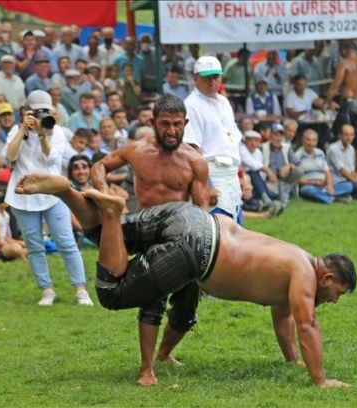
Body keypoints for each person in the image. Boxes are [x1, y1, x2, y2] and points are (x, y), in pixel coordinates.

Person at [14, 174, 355, 389]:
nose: (335, 301)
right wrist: (321, 380)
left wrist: (293, 359)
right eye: (337, 293)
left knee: (105, 235)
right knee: (111, 292)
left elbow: (283, 316)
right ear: (327, 277)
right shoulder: (306, 279)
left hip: (193, 217)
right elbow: (306, 324)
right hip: (198, 250)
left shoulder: (296, 257)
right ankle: (112, 211)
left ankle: (66, 192)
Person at [90, 94, 211, 387]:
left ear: (186, 124)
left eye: (177, 124)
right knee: (152, 302)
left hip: (182, 239)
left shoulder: (195, 162)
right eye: (165, 124)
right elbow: (100, 167)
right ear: (152, 122)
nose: (172, 130)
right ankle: (146, 370)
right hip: (147, 232)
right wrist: (104, 192)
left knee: (186, 310)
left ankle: (164, 354)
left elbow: (202, 212)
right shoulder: (136, 150)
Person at [2, 90, 92, 307]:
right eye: (37, 111)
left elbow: (52, 159)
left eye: (46, 111)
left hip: (52, 192)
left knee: (66, 240)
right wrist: (23, 129)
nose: (42, 115)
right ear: (26, 111)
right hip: (23, 194)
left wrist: (43, 135)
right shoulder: (17, 129)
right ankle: (47, 290)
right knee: (34, 245)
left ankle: (81, 290)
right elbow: (9, 157)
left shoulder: (57, 131)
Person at [184, 56, 242, 223]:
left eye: (215, 77)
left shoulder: (224, 102)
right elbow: (193, 149)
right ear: (195, 78)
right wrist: (207, 183)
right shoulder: (191, 105)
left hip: (231, 173)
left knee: (237, 232)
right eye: (206, 77)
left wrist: (241, 175)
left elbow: (232, 142)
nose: (212, 82)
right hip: (212, 171)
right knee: (217, 231)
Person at [327, 42, 357, 173]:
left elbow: (336, 83)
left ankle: (342, 167)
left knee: (341, 134)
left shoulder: (344, 64)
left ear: (344, 52)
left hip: (349, 103)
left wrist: (328, 100)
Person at [296, 129, 353, 205]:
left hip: (324, 185)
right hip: (309, 185)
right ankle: (334, 198)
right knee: (308, 191)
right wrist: (314, 183)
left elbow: (327, 172)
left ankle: (325, 195)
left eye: (314, 140)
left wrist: (329, 185)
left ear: (316, 142)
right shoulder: (297, 155)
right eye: (308, 140)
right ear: (303, 141)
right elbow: (297, 179)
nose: (311, 143)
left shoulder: (320, 153)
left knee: (348, 186)